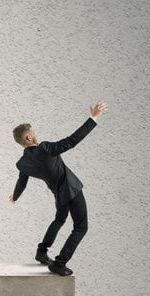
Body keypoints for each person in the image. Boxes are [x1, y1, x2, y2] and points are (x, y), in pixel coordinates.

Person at [9, 101, 108, 276]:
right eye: (33, 132)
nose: (35, 134)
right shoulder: (45, 148)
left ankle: (42, 251)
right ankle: (59, 263)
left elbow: (21, 183)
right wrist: (93, 118)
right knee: (81, 227)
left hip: (59, 194)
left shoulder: (22, 163)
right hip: (72, 190)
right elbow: (71, 141)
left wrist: (15, 197)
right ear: (28, 138)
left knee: (59, 219)